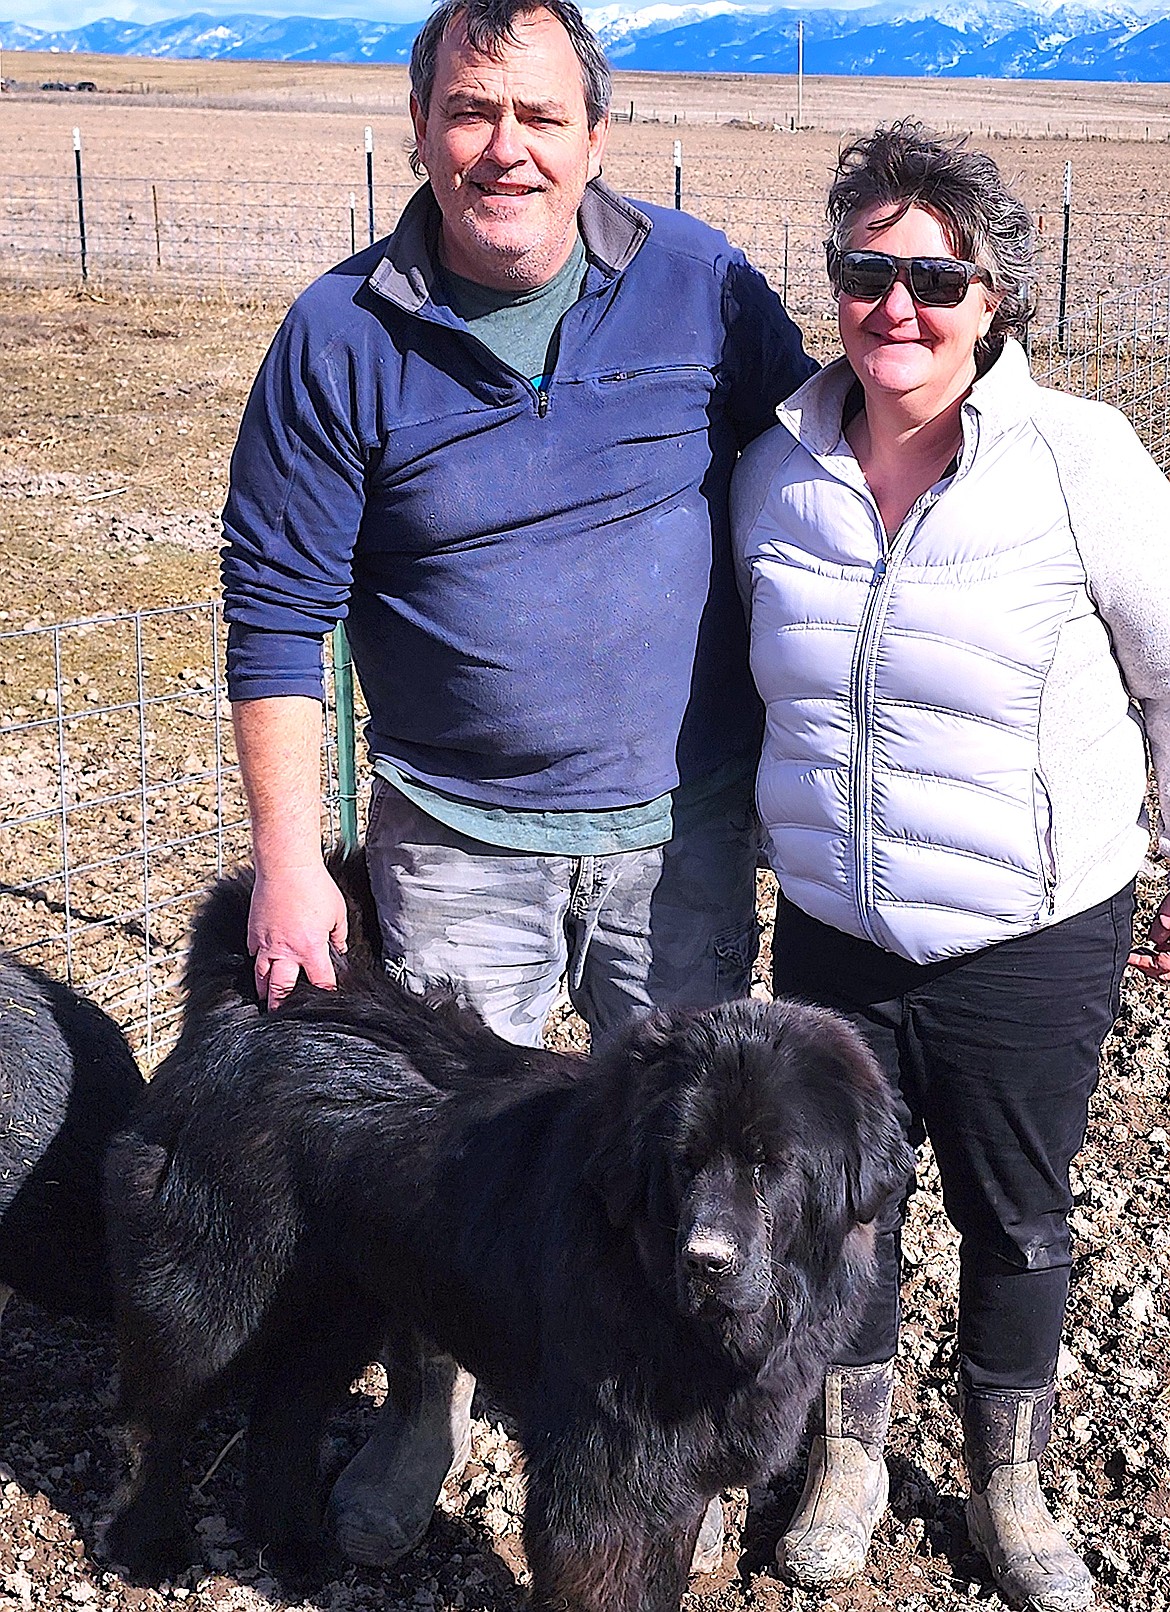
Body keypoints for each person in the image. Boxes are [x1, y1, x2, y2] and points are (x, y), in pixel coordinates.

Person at [221, 0, 814, 1576]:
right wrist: (289, 861)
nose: (508, 147)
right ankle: (434, 1415)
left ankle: (662, 1435)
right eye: (474, 112)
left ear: (594, 135)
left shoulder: (704, 289)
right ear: (417, 128)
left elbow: (810, 482)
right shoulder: (337, 335)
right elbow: (277, 608)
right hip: (456, 830)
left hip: (681, 832)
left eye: (541, 115)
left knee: (681, 1165)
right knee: (456, 1162)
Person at [732, 121, 1170, 1610]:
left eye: (934, 274)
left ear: (994, 299)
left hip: (1024, 928)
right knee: (840, 1203)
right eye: (866, 269)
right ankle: (850, 1453)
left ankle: (1009, 1477)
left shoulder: (1079, 459)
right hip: (837, 923)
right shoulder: (772, 470)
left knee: (1018, 1210)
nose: (895, 304)